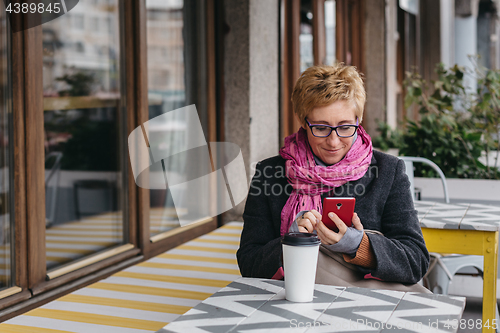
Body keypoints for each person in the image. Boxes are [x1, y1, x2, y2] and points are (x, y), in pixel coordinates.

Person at [237, 63, 429, 285]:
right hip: (289, 306)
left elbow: (416, 260)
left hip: (363, 310)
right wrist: (288, 243)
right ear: (303, 122)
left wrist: (359, 245)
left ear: (359, 120)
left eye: (346, 127)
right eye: (321, 128)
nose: (334, 141)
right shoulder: (269, 173)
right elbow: (248, 263)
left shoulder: (388, 171)